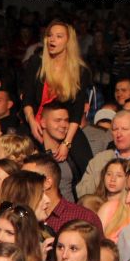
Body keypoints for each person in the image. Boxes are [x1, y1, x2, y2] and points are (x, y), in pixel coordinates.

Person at [20, 21, 93, 158]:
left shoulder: (80, 71)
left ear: (68, 42)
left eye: (59, 36)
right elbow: (27, 98)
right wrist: (32, 122)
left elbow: (77, 111)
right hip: (35, 123)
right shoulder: (36, 62)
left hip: (65, 128)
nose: (52, 40)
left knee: (84, 160)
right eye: (50, 35)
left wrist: (66, 143)